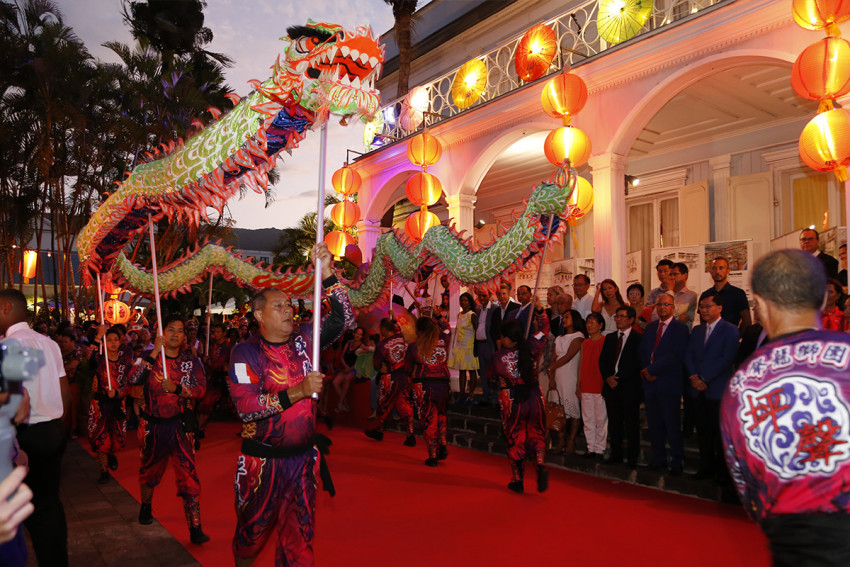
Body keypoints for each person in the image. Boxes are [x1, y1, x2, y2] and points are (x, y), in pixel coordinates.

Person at [721, 249, 850, 565]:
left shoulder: (742, 384)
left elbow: (749, 490)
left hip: (796, 543)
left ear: (761, 305)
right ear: (822, 299)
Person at [229, 242, 353, 566]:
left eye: (289, 305)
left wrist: (327, 273)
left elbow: (345, 319)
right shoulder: (245, 352)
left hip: (302, 461)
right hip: (261, 464)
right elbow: (247, 407)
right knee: (250, 537)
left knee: (299, 541)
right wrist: (297, 391)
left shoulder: (306, 340)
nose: (289, 310)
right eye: (279, 306)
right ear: (259, 315)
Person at [0, 288, 69, 567]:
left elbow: (11, 402)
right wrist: (62, 429)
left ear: (5, 307)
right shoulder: (48, 343)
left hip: (25, 436)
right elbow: (65, 390)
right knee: (49, 504)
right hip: (53, 430)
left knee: (27, 509)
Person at [129, 316, 209, 544]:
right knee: (150, 471)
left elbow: (201, 389)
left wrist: (178, 388)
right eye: (170, 329)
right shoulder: (146, 357)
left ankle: (195, 528)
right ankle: (146, 506)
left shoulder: (190, 361)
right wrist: (154, 353)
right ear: (160, 333)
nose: (175, 334)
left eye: (180, 330)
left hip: (181, 427)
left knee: (189, 476)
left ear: (185, 336)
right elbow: (133, 379)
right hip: (152, 426)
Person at [491, 308, 550, 493]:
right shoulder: (533, 346)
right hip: (535, 396)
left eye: (503, 337)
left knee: (516, 437)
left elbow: (491, 376)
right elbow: (544, 328)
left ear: (509, 339)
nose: (501, 340)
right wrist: (540, 312)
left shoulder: (498, 356)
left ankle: (518, 480)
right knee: (537, 433)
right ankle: (540, 463)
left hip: (513, 399)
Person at [685, 295, 739, 481]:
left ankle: (722, 473)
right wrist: (694, 377)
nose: (704, 310)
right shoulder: (697, 330)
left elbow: (727, 358)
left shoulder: (730, 330)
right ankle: (705, 468)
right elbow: (688, 355)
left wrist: (704, 378)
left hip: (717, 389)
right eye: (701, 307)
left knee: (719, 434)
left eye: (708, 306)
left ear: (720, 308)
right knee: (702, 431)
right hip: (696, 389)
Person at [638, 291, 690, 476]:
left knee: (672, 424)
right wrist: (646, 370)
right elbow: (644, 351)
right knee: (654, 424)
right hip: (650, 384)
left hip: (668, 382)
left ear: (673, 307)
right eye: (659, 305)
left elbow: (675, 356)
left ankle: (676, 461)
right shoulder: (651, 327)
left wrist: (653, 371)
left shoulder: (681, 328)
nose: (662, 308)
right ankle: (658, 458)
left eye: (666, 305)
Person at [406, 314, 452, 467]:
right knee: (441, 414)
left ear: (418, 330)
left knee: (428, 419)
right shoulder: (444, 341)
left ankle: (432, 455)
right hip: (443, 383)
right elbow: (447, 328)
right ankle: (443, 442)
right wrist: (437, 317)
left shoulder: (414, 346)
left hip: (423, 385)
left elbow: (407, 368)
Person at [88, 325, 132, 484]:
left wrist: (119, 392)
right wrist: (98, 336)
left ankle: (112, 452)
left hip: (118, 405)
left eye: (116, 340)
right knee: (101, 439)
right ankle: (103, 470)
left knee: (117, 439)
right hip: (99, 405)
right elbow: (88, 357)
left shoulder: (125, 363)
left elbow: (129, 385)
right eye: (109, 340)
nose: (113, 343)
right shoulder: (99, 360)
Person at [600, 306, 643, 467]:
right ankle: (616, 454)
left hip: (629, 386)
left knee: (631, 423)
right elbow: (603, 361)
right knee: (614, 422)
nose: (618, 319)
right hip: (611, 386)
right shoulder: (610, 338)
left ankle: (632, 457)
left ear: (631, 319)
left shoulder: (638, 339)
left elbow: (637, 362)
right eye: (616, 316)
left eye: (622, 316)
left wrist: (620, 378)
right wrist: (608, 378)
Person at [365, 318, 414, 445]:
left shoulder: (381, 345)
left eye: (381, 328)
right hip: (403, 377)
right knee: (405, 405)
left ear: (385, 330)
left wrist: (381, 365)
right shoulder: (401, 337)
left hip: (389, 378)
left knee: (383, 405)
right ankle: (411, 434)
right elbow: (397, 327)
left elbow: (376, 364)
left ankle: (380, 431)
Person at [549, 309, 586, 454]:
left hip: (570, 376)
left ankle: (571, 440)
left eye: (567, 317)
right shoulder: (559, 338)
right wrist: (551, 376)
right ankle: (561, 439)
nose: (564, 319)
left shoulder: (579, 337)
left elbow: (568, 356)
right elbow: (554, 357)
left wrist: (552, 367)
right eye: (563, 317)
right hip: (557, 375)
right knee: (559, 411)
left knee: (572, 409)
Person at [578, 312, 607, 458]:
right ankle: (590, 447)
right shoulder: (585, 343)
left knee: (601, 419)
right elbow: (581, 364)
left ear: (601, 325)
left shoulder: (606, 341)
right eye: (588, 322)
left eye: (593, 322)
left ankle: (600, 448)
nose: (589, 325)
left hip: (600, 385)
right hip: (586, 384)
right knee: (588, 418)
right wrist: (579, 384)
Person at [197, 322, 229, 446]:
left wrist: (208, 361)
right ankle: (200, 428)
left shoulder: (227, 347)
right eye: (214, 332)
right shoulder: (211, 345)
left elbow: (217, 364)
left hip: (223, 379)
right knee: (205, 404)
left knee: (235, 406)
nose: (215, 334)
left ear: (224, 333)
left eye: (218, 332)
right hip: (212, 379)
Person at [700, 256, 752, 331]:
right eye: (714, 268)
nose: (717, 271)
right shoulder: (705, 295)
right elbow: (703, 322)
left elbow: (747, 321)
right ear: (710, 272)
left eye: (721, 268)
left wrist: (736, 337)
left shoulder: (738, 293)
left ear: (728, 271)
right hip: (710, 340)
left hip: (730, 339)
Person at [448, 292, 480, 402]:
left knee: (471, 370)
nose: (463, 302)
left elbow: (477, 331)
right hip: (460, 346)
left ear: (470, 302)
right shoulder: (459, 315)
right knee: (461, 370)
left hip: (470, 346)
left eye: (465, 300)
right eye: (461, 300)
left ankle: (471, 393)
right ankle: (462, 393)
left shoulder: (472, 315)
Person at [474, 289, 498, 403]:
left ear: (490, 295)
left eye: (484, 295)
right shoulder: (478, 310)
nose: (482, 298)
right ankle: (486, 395)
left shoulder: (494, 309)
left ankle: (495, 396)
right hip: (480, 345)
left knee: (493, 371)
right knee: (482, 372)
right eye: (480, 296)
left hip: (490, 344)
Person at [669, 262, 698, 330]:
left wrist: (670, 291)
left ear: (685, 275)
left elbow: (675, 312)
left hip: (682, 335)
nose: (672, 277)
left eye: (675, 274)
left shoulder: (691, 295)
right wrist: (678, 318)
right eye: (670, 274)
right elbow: (657, 316)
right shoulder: (665, 294)